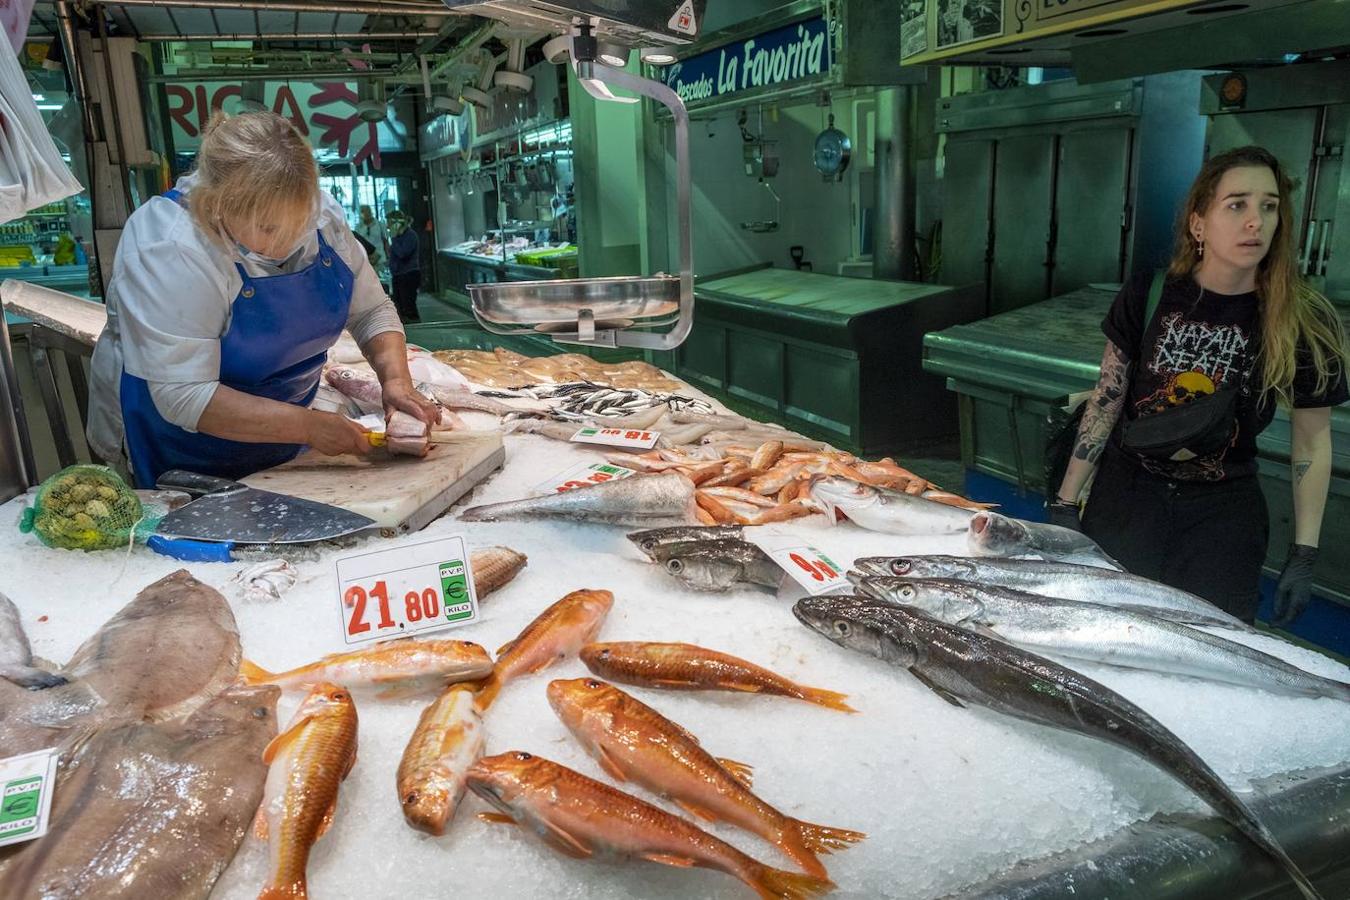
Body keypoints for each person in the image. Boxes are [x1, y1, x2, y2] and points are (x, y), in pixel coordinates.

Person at [1050, 145, 1347, 627]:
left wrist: (1305, 552)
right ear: (1198, 224)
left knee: (1209, 648)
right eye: (1237, 204)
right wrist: (1065, 504)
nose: (1256, 221)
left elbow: (1312, 440)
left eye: (1269, 206)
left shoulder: (1302, 319)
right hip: (1127, 499)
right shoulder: (1149, 294)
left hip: (1222, 516)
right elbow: (1107, 397)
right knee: (1104, 630)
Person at [87, 111, 439, 488]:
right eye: (269, 228)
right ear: (217, 205)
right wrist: (308, 427)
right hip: (181, 446)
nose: (288, 241)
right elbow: (185, 395)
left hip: (284, 436)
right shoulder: (170, 245)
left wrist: (397, 381)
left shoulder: (319, 214)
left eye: (301, 223)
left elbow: (371, 312)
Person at [387, 210, 421, 324]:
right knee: (399, 304)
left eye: (390, 224)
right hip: (398, 274)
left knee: (408, 304)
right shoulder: (398, 237)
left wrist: (394, 238)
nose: (388, 227)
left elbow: (403, 253)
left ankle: (416, 326)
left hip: (408, 274)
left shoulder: (410, 235)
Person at [354, 203, 388, 271]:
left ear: (370, 212)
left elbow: (385, 241)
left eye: (366, 211)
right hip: (365, 260)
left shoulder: (380, 225)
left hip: (380, 260)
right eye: (362, 211)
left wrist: (388, 256)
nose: (364, 214)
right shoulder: (358, 227)